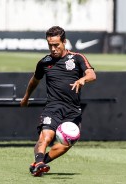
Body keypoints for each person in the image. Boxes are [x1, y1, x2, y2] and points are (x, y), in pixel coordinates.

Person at [20, 26, 96, 176]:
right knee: (46, 136)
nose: (53, 48)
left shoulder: (77, 58)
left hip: (73, 110)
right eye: (50, 45)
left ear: (64, 42)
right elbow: (34, 80)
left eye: (56, 45)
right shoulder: (44, 62)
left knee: (66, 144)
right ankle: (40, 163)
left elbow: (92, 75)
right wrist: (26, 96)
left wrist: (82, 79)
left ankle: (39, 163)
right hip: (53, 107)